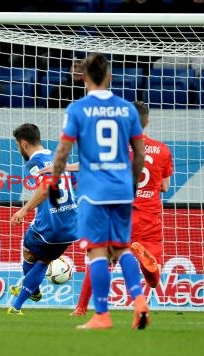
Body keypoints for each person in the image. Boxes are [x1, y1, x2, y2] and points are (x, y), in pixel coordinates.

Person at [48, 52, 148, 330]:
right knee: (123, 248)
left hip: (94, 190)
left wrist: (55, 182)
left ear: (83, 77)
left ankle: (102, 314)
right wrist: (132, 182)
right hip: (122, 188)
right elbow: (138, 152)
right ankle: (139, 300)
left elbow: (63, 151)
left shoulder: (78, 109)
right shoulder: (127, 109)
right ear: (110, 76)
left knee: (97, 252)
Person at [68, 100, 173, 316]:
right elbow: (164, 186)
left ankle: (80, 308)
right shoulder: (163, 150)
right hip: (149, 216)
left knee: (100, 259)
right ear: (147, 122)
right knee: (153, 279)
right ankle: (150, 268)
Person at [6, 123, 78, 316]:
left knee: (29, 252)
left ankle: (31, 292)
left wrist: (24, 210)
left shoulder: (34, 163)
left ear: (23, 144)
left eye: (17, 145)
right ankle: (25, 296)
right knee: (43, 259)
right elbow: (76, 184)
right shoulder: (59, 157)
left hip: (51, 224)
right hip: (71, 224)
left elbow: (47, 187)